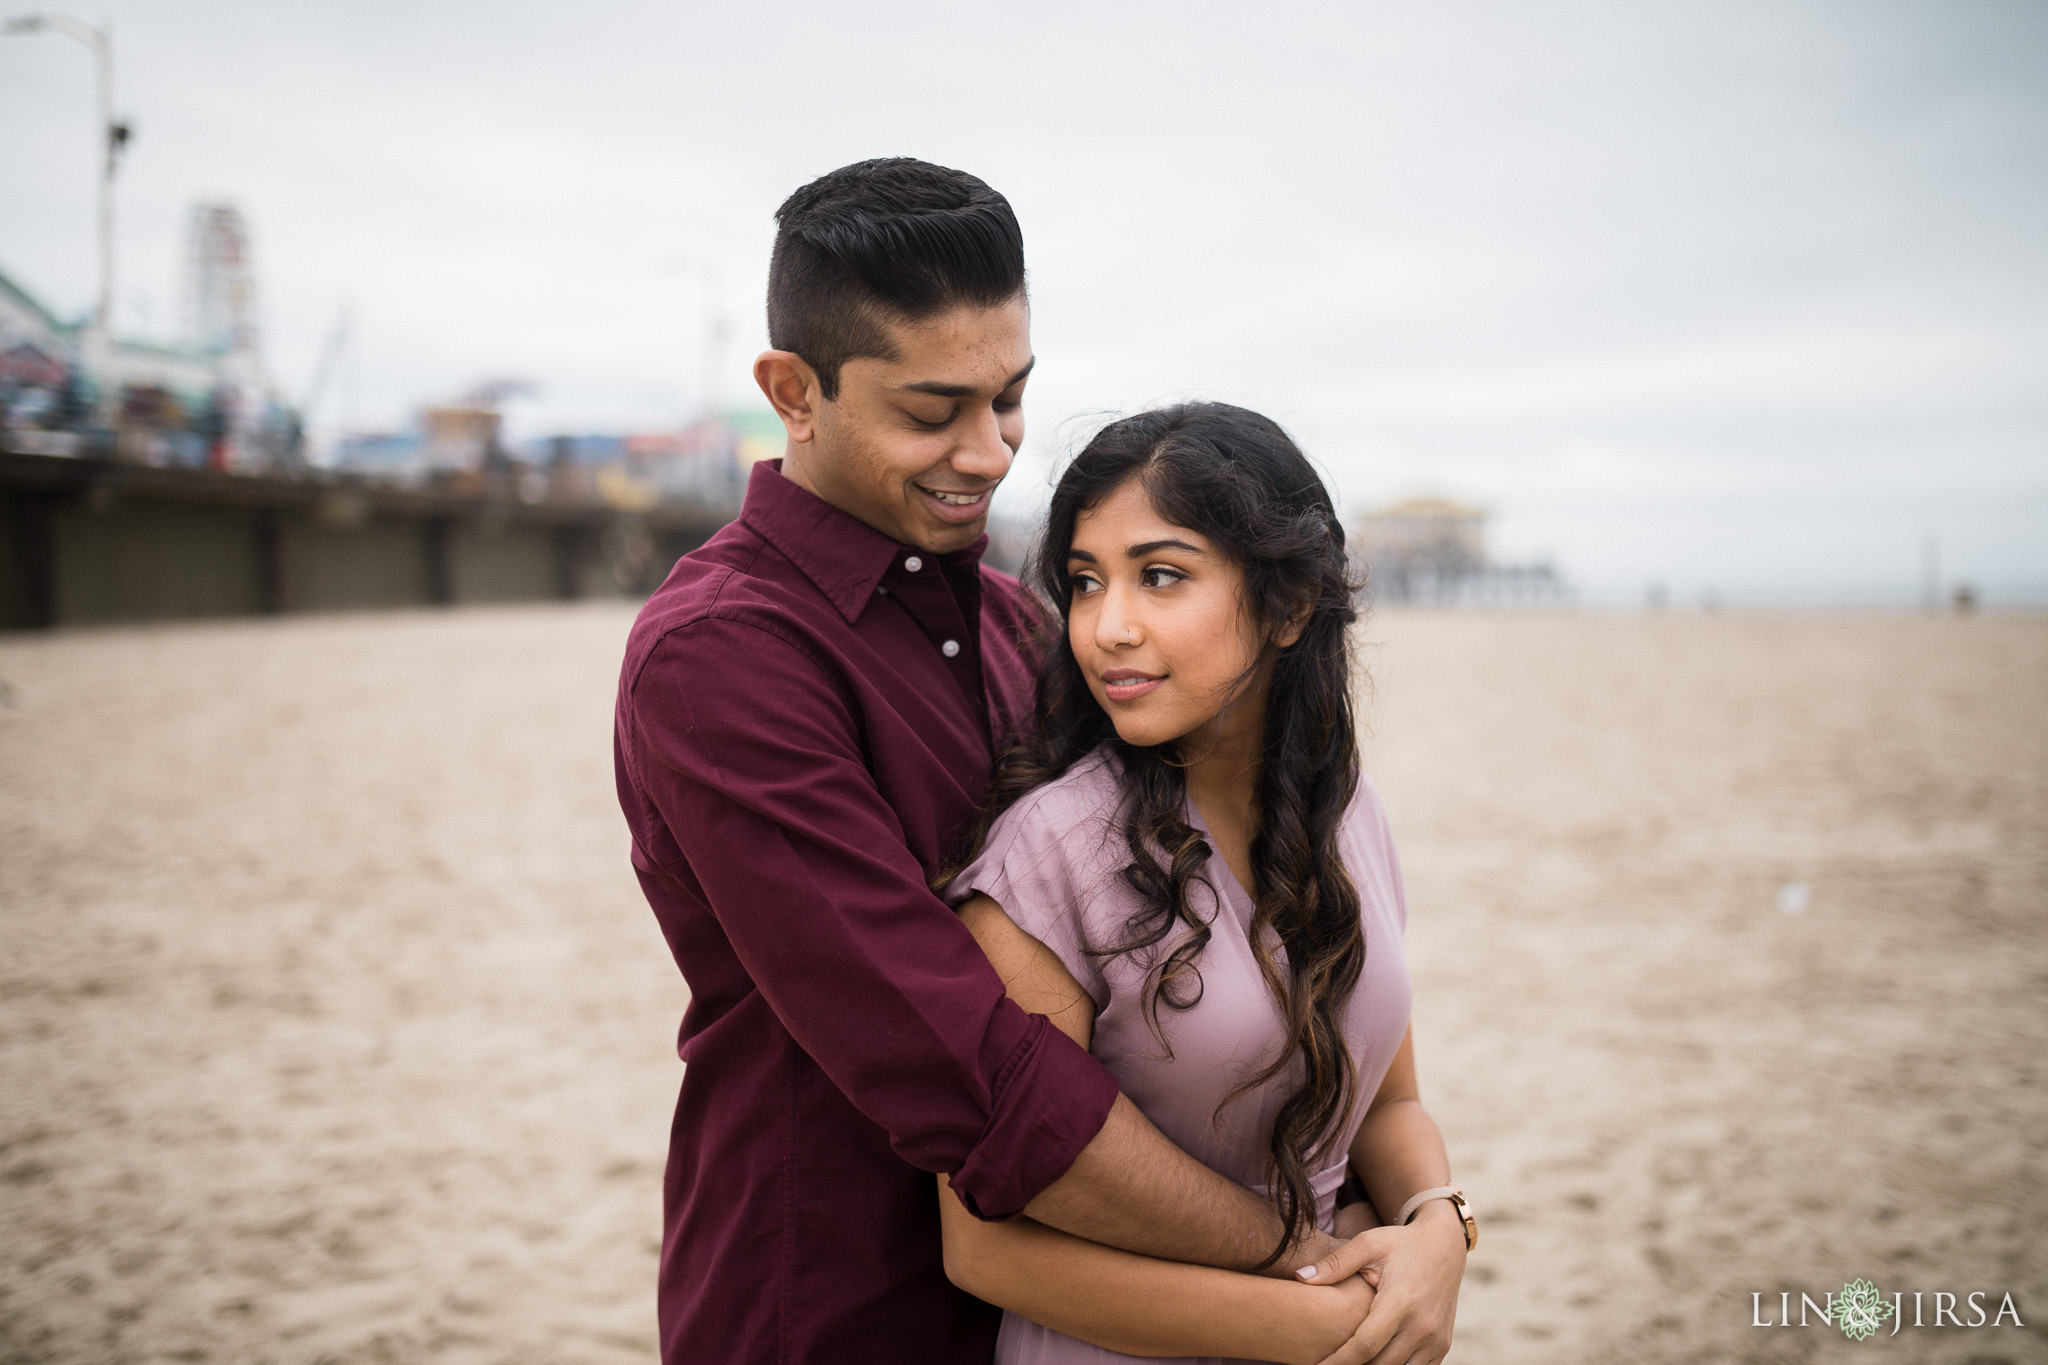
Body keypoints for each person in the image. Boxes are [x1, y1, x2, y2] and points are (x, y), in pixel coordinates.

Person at [613, 160, 1363, 1365]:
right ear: (791, 392)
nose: (989, 451)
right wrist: (1289, 1249)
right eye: (931, 412)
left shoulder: (1025, 627)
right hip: (833, 1312)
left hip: (1087, 1314)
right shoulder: (718, 662)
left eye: (1008, 397)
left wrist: (1417, 1206)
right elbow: (962, 1067)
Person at [935, 403, 1473, 1365]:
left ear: (1288, 604)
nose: (1108, 627)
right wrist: (1316, 1318)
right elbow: (984, 1245)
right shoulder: (1046, 858)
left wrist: (1439, 1226)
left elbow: (1385, 1105)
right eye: (1086, 583)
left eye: (1161, 576)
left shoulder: (1348, 812)